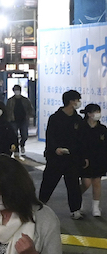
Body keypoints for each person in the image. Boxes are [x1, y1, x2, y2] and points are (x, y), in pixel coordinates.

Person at [39, 89, 85, 218]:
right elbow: (50, 136)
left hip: (72, 158)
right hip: (56, 157)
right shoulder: (55, 118)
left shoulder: (78, 119)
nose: (78, 102)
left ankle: (75, 210)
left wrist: (81, 156)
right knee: (49, 181)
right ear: (71, 101)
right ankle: (40, 205)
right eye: (77, 100)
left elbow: (81, 139)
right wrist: (55, 149)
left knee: (73, 184)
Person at [80, 103, 107, 217]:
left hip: (99, 160)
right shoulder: (81, 127)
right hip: (85, 160)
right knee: (86, 183)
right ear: (89, 114)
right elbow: (78, 144)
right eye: (96, 112)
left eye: (99, 111)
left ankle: (95, 207)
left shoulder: (102, 129)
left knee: (97, 183)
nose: (98, 114)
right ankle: (77, 200)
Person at [5, 84, 33, 155]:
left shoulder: (25, 100)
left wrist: (30, 115)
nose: (17, 91)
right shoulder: (10, 100)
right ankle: (16, 149)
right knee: (14, 135)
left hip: (23, 120)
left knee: (25, 135)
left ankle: (22, 144)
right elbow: (7, 110)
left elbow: (30, 108)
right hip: (13, 120)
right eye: (15, 90)